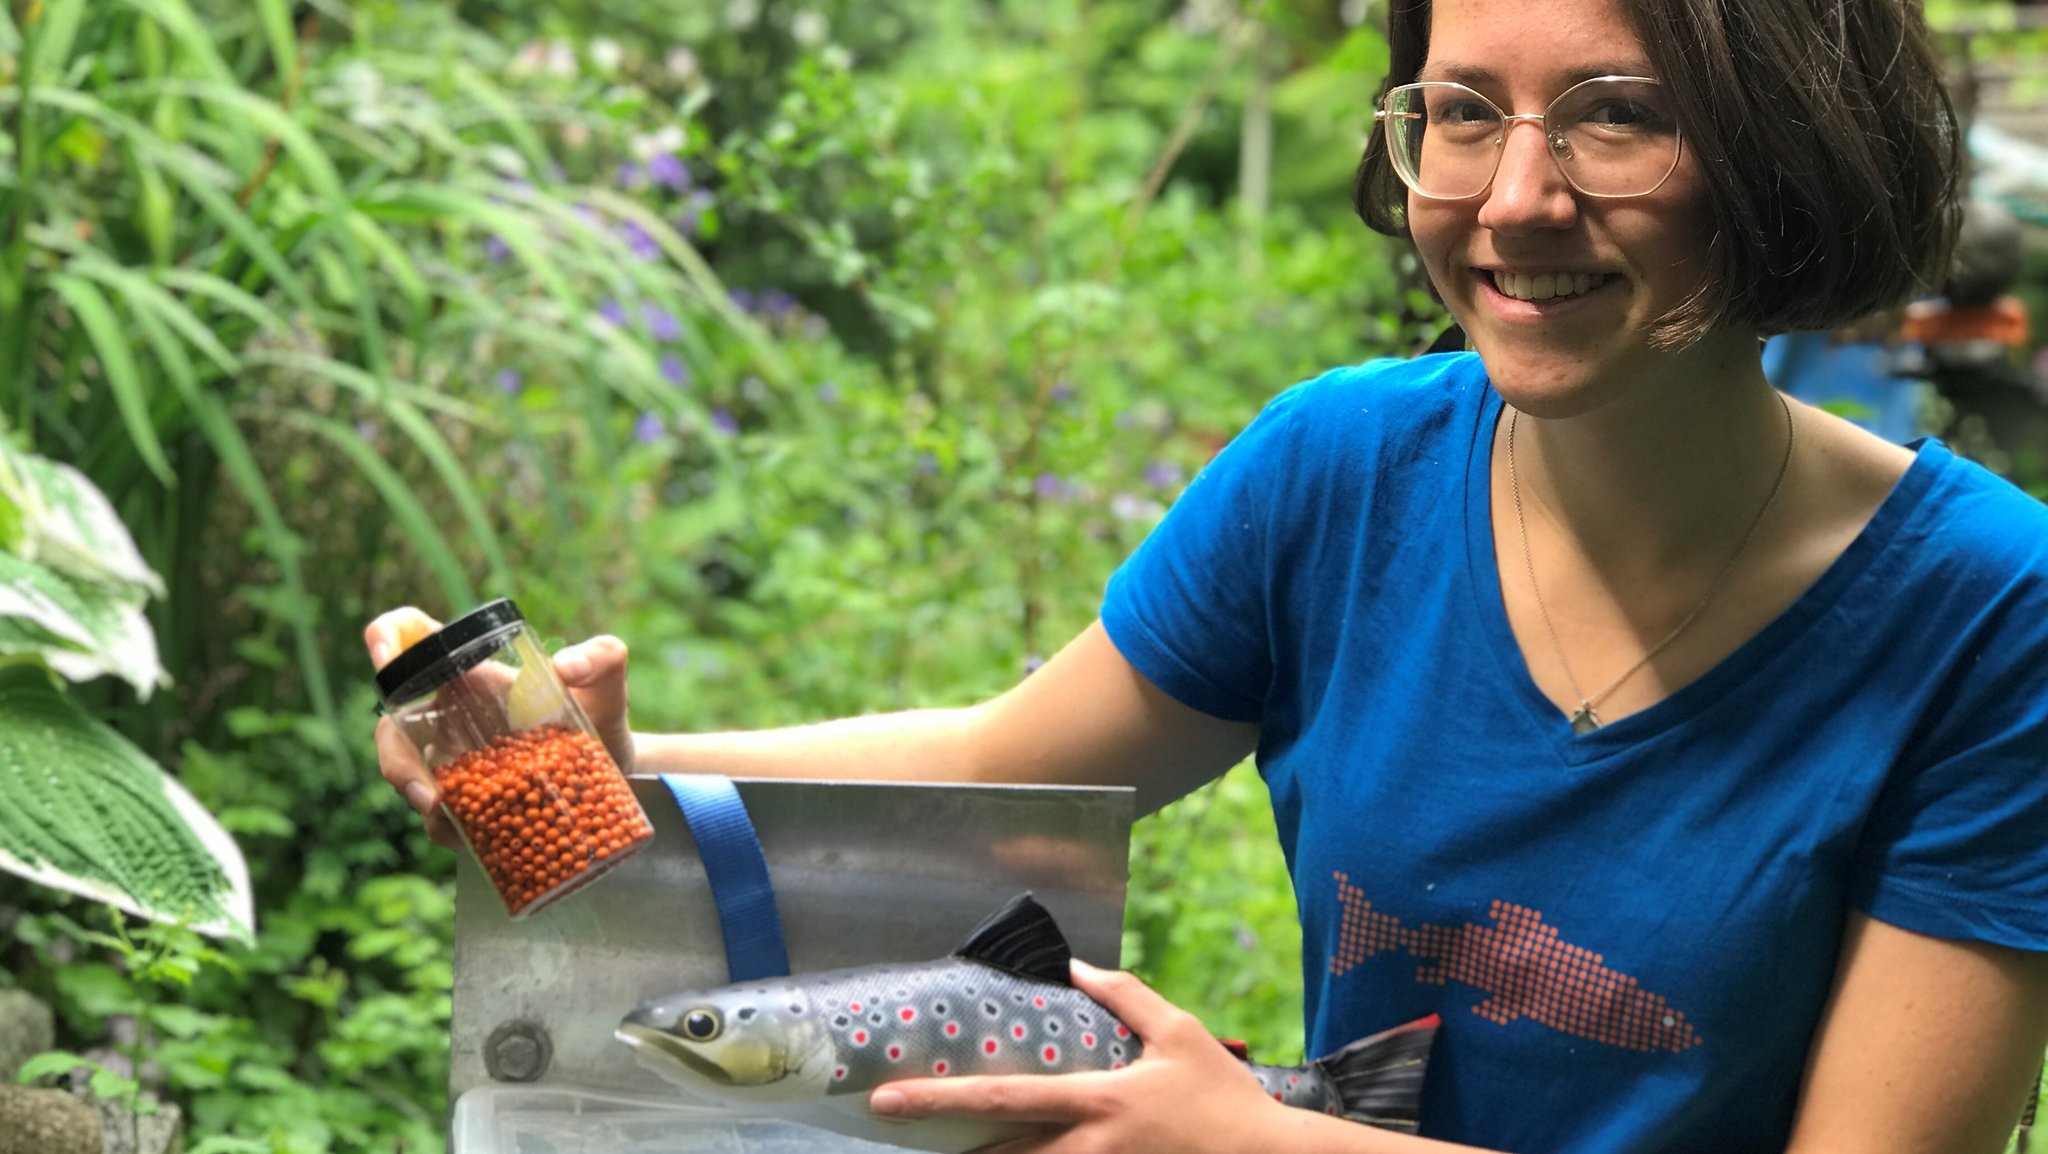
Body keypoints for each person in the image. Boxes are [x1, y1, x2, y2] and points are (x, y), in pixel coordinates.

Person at [369, 0, 2048, 1147]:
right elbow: (993, 767)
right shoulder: (1341, 470)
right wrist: (610, 783)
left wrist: (1255, 1137)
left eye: (1621, 117)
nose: (1516, 199)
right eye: (1463, 113)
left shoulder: (1989, 613)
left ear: (1786, 142)